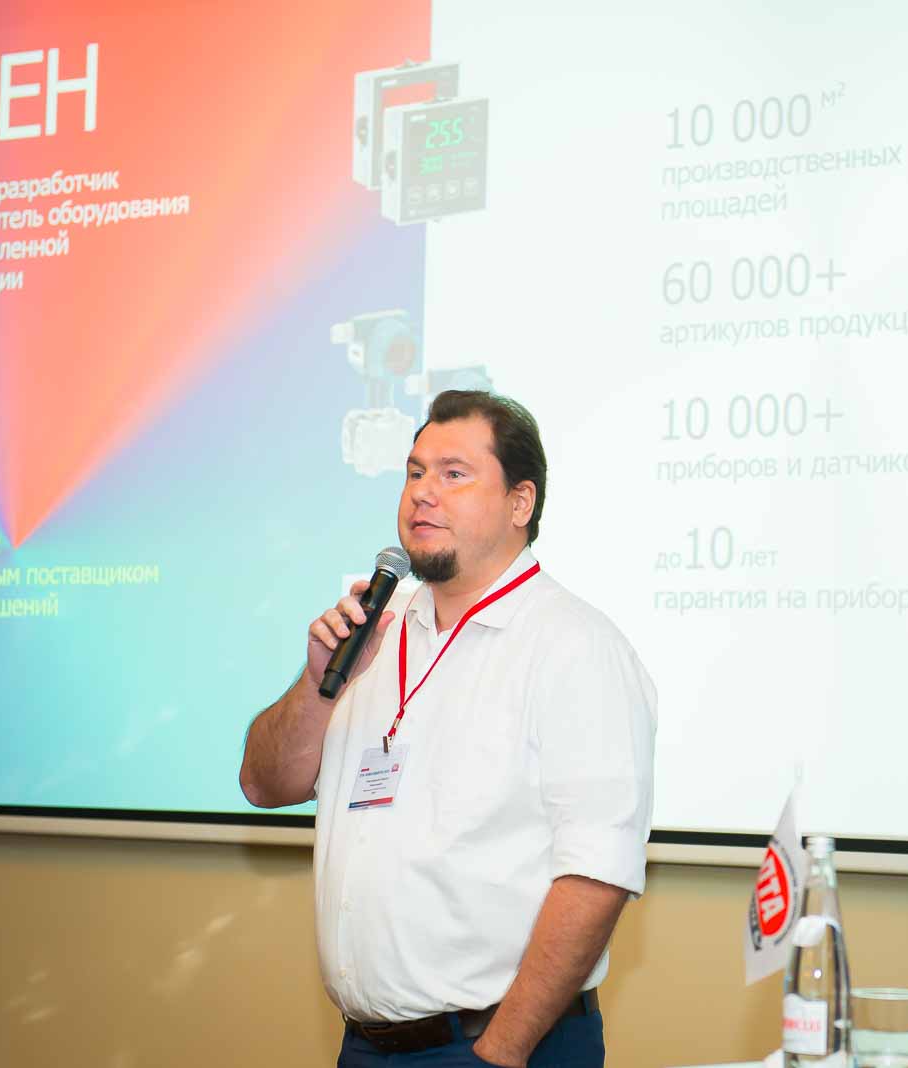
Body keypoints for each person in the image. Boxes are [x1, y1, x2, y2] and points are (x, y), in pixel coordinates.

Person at [240, 390, 657, 1068]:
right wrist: (317, 685)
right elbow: (264, 784)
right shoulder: (371, 630)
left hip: (500, 1046)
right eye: (414, 473)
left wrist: (501, 1051)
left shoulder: (573, 647)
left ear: (520, 503)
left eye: (453, 473)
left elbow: (596, 874)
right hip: (364, 1045)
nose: (422, 493)